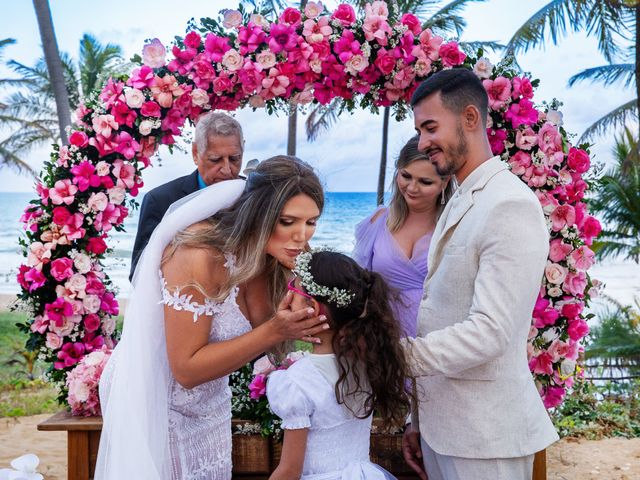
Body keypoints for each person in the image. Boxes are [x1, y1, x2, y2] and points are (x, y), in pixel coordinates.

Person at [96, 156, 330, 480]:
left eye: (311, 222)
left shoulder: (277, 256)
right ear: (260, 215)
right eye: (288, 222)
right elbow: (186, 370)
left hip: (211, 396)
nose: (301, 236)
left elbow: (306, 327)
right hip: (155, 396)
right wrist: (274, 331)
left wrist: (303, 280)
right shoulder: (198, 256)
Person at [401, 68, 558, 480]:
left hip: (487, 439)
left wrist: (396, 356)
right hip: (444, 431)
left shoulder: (508, 204)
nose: (422, 143)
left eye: (430, 127)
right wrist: (417, 419)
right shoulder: (459, 195)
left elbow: (491, 331)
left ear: (470, 119)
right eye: (419, 130)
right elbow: (441, 310)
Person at [266, 250, 411, 480]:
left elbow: (289, 471)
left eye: (293, 288)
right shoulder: (368, 362)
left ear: (311, 307)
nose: (287, 293)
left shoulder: (297, 381)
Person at [353, 136, 452, 337]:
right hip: (380, 339)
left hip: (436, 341)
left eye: (425, 182)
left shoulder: (453, 227)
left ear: (445, 182)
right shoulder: (379, 221)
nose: (412, 188)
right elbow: (357, 282)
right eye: (406, 176)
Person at [129, 111, 244, 279]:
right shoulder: (160, 201)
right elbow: (138, 275)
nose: (227, 169)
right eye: (215, 159)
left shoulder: (255, 196)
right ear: (196, 153)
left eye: (234, 159)